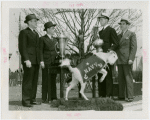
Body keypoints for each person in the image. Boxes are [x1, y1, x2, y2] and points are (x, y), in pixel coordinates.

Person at [18, 14, 41, 107]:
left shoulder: (36, 33)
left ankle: (32, 99)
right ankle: (26, 101)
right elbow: (22, 47)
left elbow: (37, 49)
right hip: (29, 61)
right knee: (28, 80)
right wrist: (26, 59)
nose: (36, 23)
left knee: (34, 81)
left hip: (36, 61)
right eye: (35, 21)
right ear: (29, 22)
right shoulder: (24, 32)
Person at [97, 13, 119, 98]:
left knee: (108, 75)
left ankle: (109, 95)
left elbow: (116, 43)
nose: (100, 21)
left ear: (106, 20)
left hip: (107, 57)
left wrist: (110, 49)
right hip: (100, 56)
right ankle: (101, 95)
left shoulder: (111, 30)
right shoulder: (99, 32)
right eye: (99, 19)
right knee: (100, 73)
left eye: (102, 19)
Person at [116, 18, 137, 102]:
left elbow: (133, 47)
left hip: (127, 59)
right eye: (120, 24)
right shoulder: (118, 35)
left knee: (128, 77)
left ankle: (130, 96)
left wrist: (131, 58)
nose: (121, 25)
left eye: (123, 24)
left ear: (128, 25)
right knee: (120, 78)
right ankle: (121, 95)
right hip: (119, 59)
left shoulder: (131, 34)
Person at [40, 21, 58, 103]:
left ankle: (53, 97)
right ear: (47, 29)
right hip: (46, 62)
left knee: (53, 80)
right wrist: (41, 61)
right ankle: (44, 98)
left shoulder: (55, 39)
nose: (54, 30)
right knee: (46, 80)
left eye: (54, 28)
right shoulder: (42, 39)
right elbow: (40, 51)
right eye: (52, 28)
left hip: (54, 62)